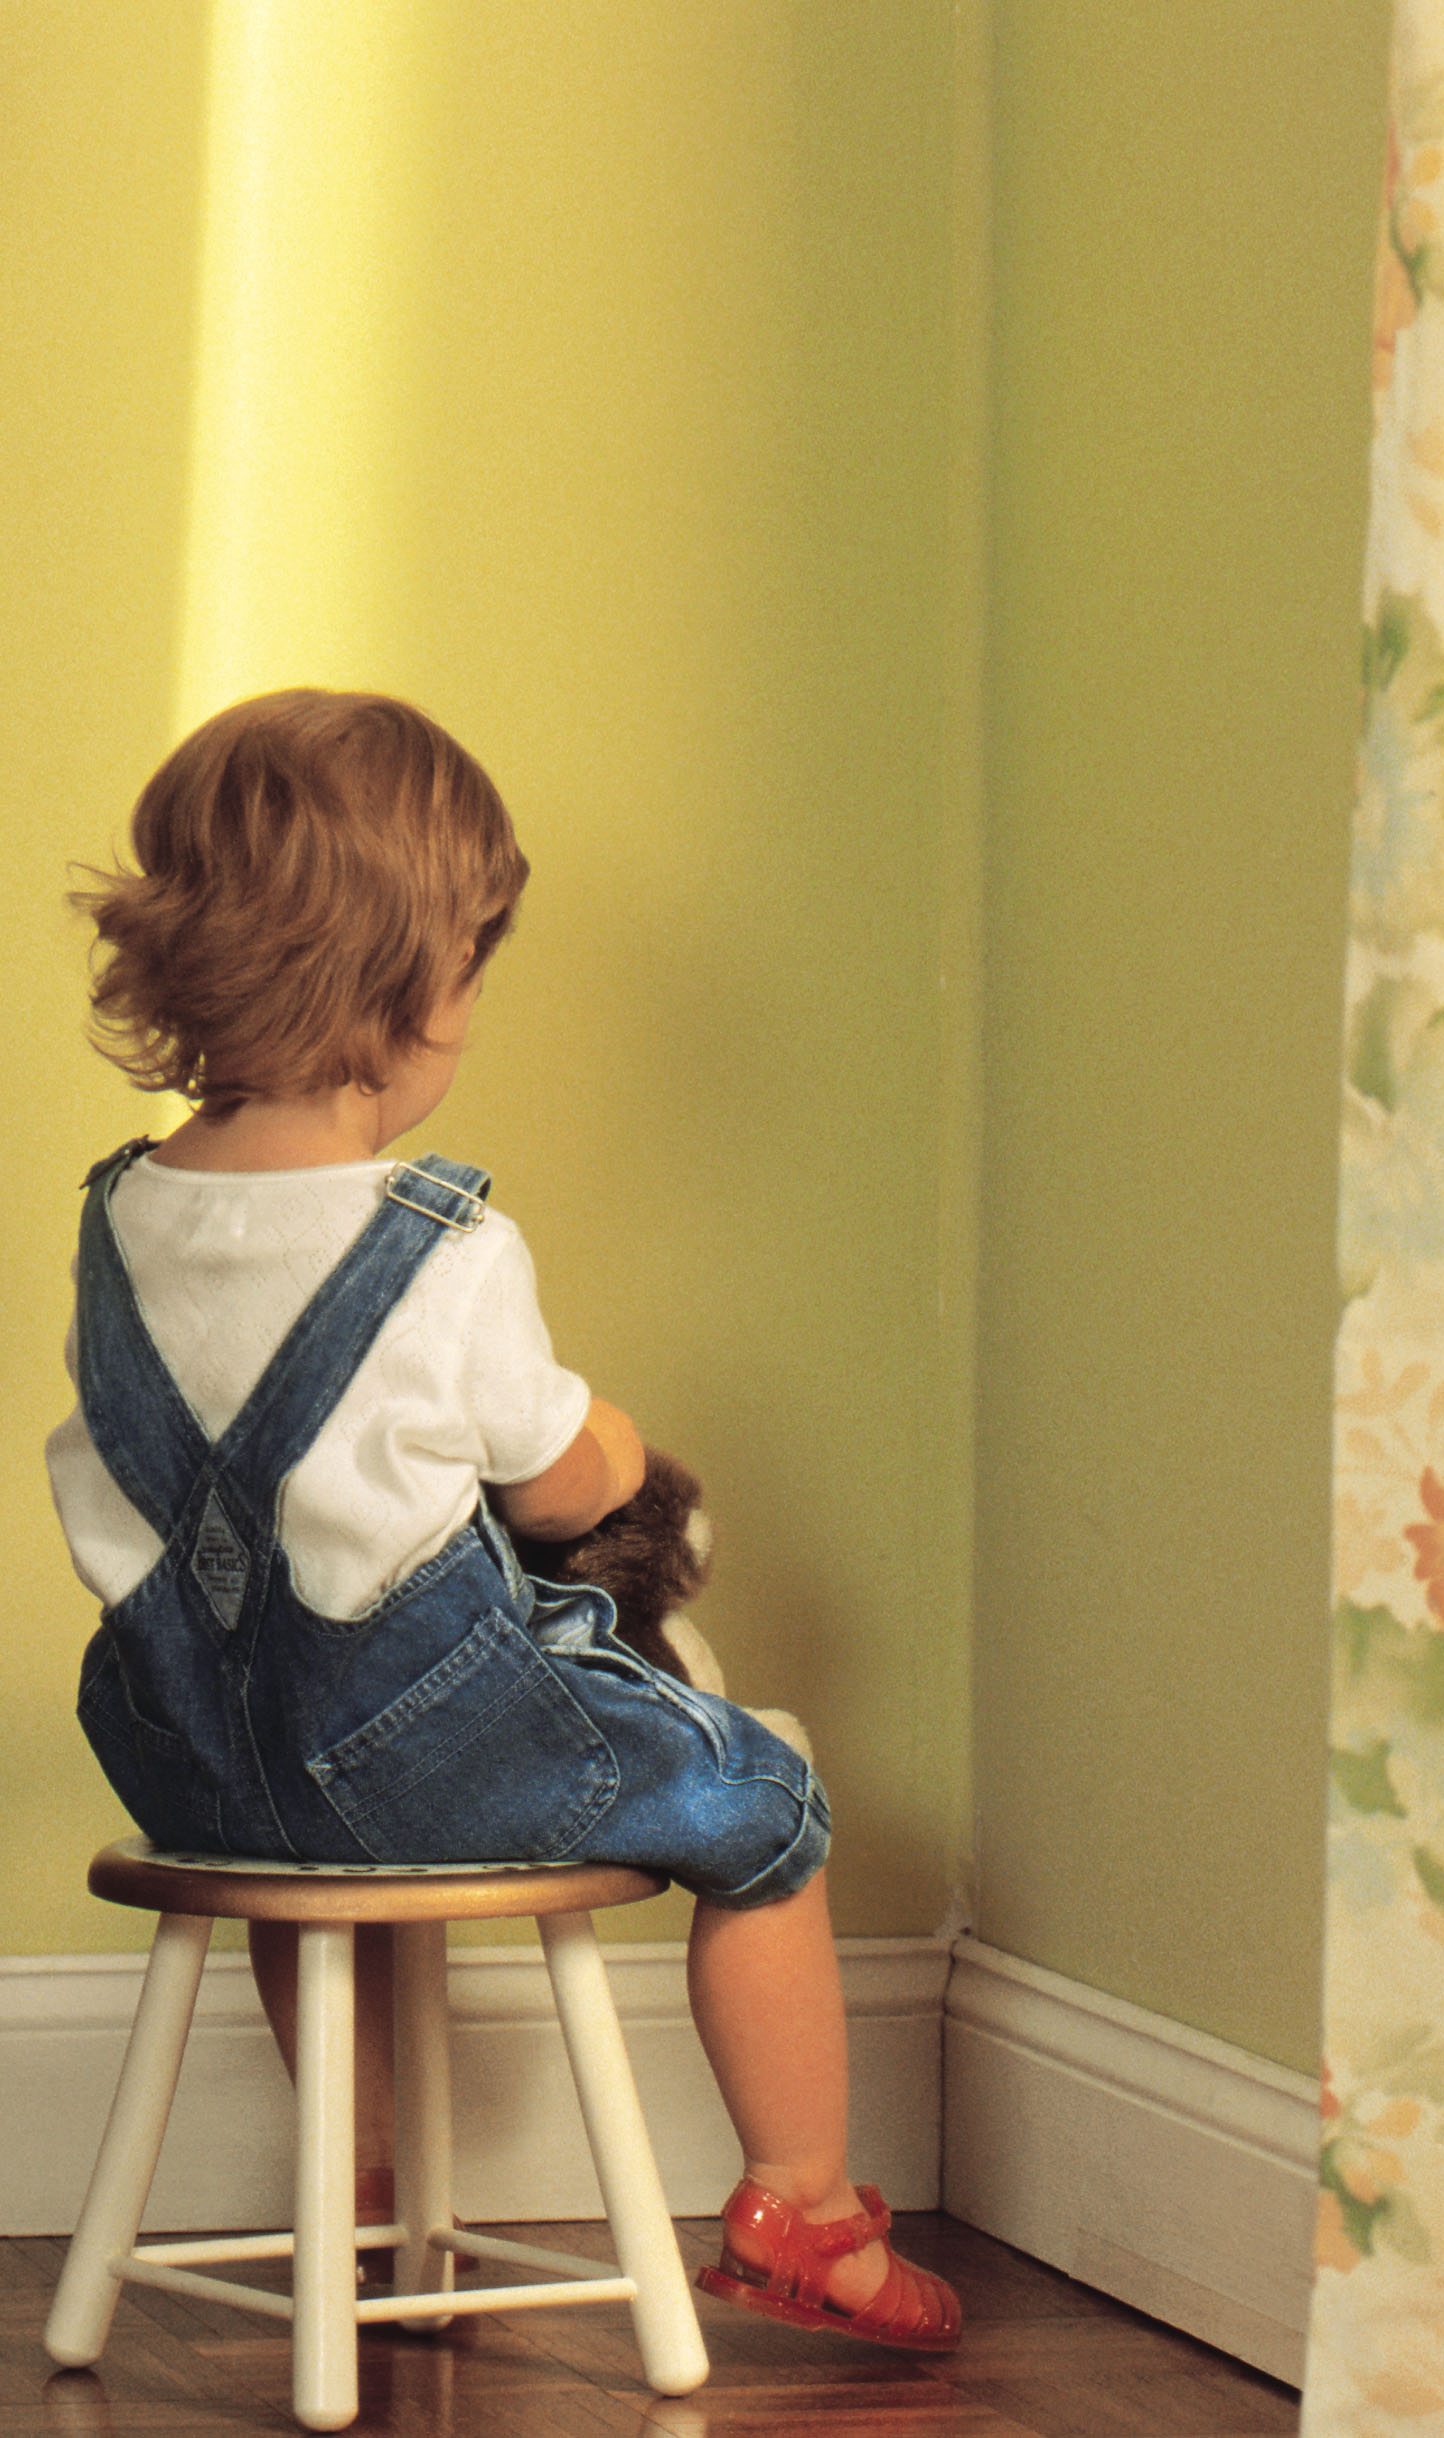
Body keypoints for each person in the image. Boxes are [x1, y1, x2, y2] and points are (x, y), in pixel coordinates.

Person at [48, 689, 960, 2353]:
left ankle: (368, 2172)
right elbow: (554, 1479)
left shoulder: (123, 1221)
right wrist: (615, 1447)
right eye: (468, 971)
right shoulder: (435, 1241)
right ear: (402, 992)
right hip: (416, 1748)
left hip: (190, 1760)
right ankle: (803, 2204)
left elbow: (120, 1489)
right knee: (762, 1793)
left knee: (291, 1849)